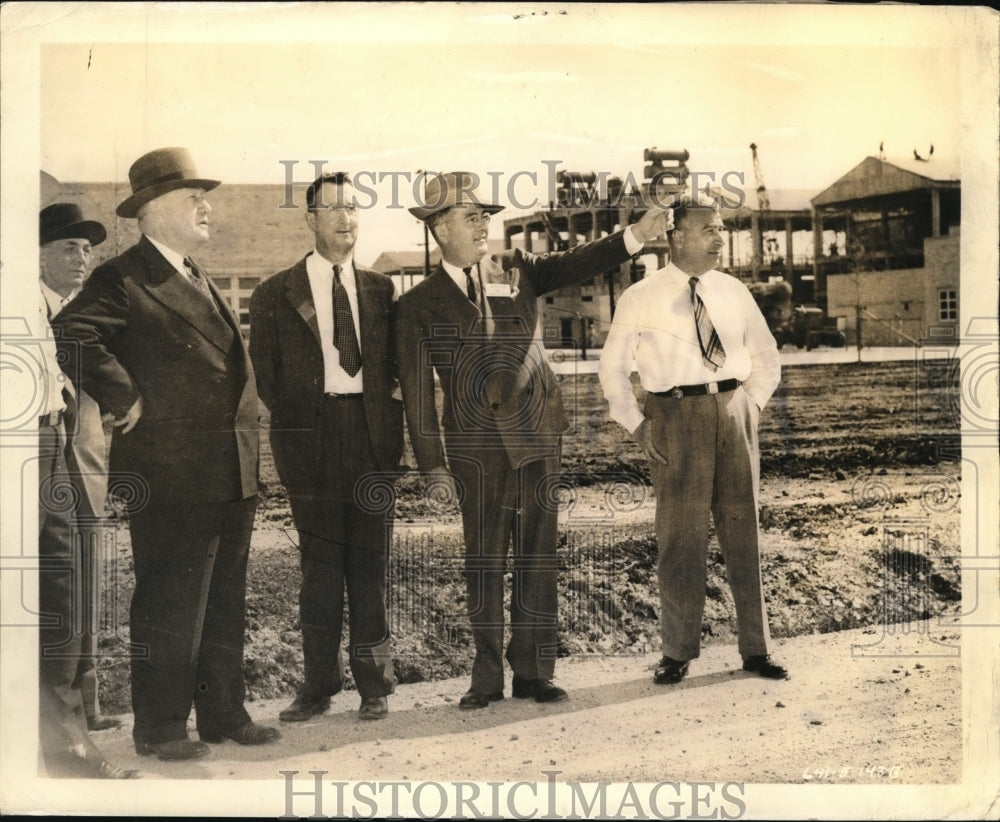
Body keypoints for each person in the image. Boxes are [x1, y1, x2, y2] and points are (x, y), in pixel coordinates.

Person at [396, 171, 671, 709]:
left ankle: (533, 671)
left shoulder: (517, 270)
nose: (483, 226)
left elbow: (578, 261)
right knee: (484, 559)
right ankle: (485, 677)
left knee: (538, 555)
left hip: (538, 434)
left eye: (484, 216)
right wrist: (432, 467)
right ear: (438, 229)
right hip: (476, 450)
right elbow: (413, 391)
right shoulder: (416, 305)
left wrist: (634, 235)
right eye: (471, 217)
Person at [52, 147, 279, 761]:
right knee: (171, 598)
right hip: (172, 470)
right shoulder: (123, 276)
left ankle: (224, 714)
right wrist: (126, 390)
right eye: (191, 198)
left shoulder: (194, 272)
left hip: (230, 467)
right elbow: (70, 333)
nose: (206, 207)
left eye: (205, 196)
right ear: (151, 211)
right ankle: (159, 728)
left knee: (224, 596)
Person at [598, 194, 789, 685]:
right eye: (709, 229)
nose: (720, 238)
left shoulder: (734, 291)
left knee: (743, 533)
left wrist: (752, 405)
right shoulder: (641, 296)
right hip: (673, 418)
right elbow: (612, 370)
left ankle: (757, 649)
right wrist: (638, 426)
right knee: (679, 542)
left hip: (733, 412)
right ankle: (677, 651)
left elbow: (766, 355)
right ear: (676, 236)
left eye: (721, 229)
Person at [249, 172, 403, 723]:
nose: (344, 218)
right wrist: (303, 423)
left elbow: (393, 372)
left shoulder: (382, 291)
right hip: (310, 445)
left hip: (370, 442)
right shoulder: (274, 294)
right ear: (310, 219)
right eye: (331, 208)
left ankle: (375, 686)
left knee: (370, 567)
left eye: (353, 208)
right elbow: (265, 375)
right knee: (319, 572)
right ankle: (316, 687)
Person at [36, 204, 139, 779]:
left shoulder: (83, 317)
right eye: (69, 247)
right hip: (43, 471)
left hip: (85, 470)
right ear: (38, 255)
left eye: (86, 250)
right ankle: (62, 728)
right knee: (55, 591)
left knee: (82, 583)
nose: (82, 259)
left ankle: (87, 707)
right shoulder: (29, 315)